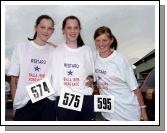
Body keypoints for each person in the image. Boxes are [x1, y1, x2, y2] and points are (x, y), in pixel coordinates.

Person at [8, 15, 57, 121]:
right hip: (25, 103)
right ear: (35, 27)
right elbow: (14, 79)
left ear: (53, 31)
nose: (46, 31)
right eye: (42, 27)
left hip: (47, 102)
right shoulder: (21, 47)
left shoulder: (55, 51)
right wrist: (15, 105)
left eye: (49, 28)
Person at [93, 26, 148, 121]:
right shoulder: (94, 59)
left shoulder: (120, 59)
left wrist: (143, 110)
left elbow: (135, 88)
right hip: (107, 115)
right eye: (98, 40)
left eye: (104, 40)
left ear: (111, 40)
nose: (101, 44)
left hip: (127, 114)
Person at [46, 15, 95, 121]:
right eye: (69, 27)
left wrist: (91, 79)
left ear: (80, 30)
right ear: (63, 30)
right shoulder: (55, 52)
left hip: (85, 99)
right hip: (64, 102)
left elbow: (91, 73)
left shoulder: (87, 50)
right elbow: (48, 77)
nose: (73, 31)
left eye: (75, 27)